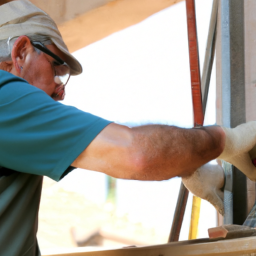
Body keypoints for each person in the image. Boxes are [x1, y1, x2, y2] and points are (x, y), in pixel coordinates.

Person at [0, 0, 256, 255]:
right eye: (57, 68)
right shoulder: (6, 99)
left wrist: (186, 164)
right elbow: (136, 154)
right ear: (21, 52)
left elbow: (106, 148)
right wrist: (227, 140)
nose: (61, 90)